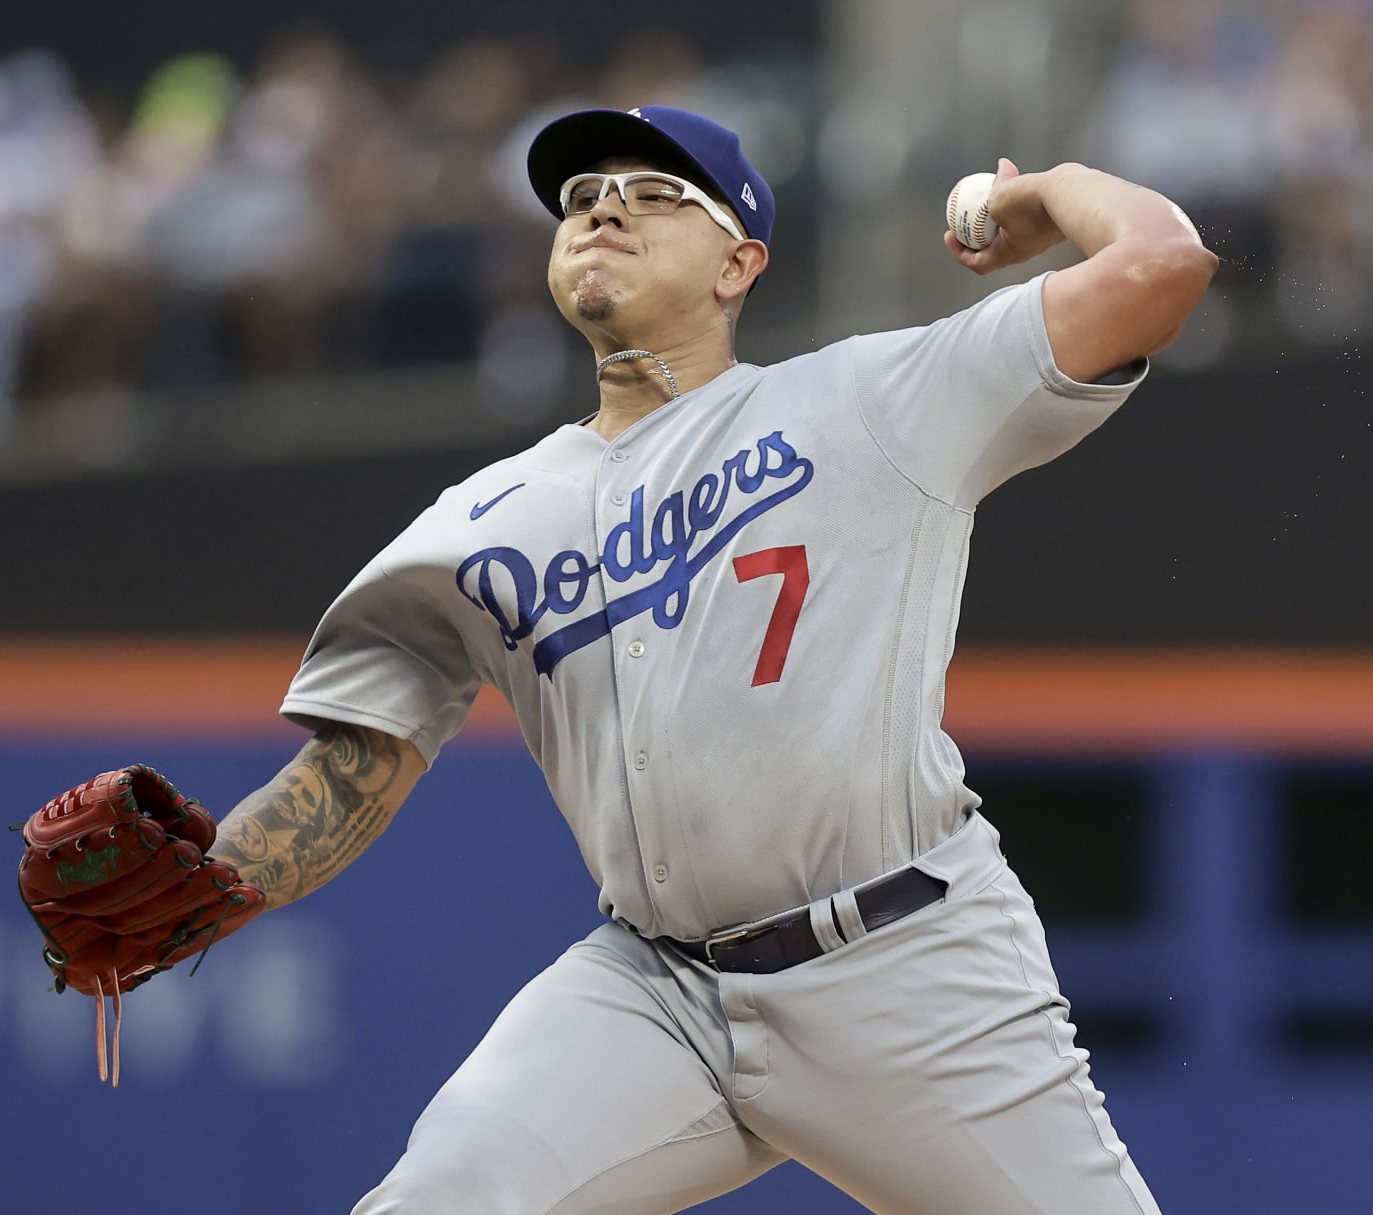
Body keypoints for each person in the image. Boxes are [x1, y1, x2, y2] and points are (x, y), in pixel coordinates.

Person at [205, 105, 1215, 1214]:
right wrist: (204, 889)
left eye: (651, 191)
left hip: (906, 964)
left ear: (740, 262)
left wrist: (1044, 188)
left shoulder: (873, 400)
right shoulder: (475, 524)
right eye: (583, 195)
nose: (603, 206)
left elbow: (1161, 265)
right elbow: (355, 770)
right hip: (656, 990)